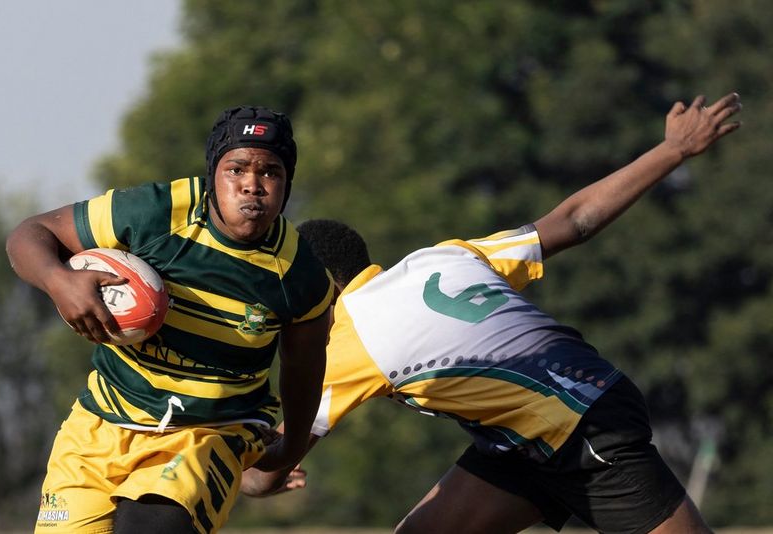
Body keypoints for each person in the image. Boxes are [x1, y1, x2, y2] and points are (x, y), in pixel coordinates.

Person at [240, 93, 742, 533]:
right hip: (528, 434)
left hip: (580, 423)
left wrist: (246, 466)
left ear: (320, 285)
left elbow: (261, 478)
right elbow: (574, 221)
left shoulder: (350, 344)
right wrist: (673, 149)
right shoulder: (443, 257)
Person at [6, 106, 333, 534]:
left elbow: (304, 367)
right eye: (236, 169)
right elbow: (30, 234)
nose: (252, 184)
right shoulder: (156, 213)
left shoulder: (299, 273)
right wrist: (58, 281)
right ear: (213, 174)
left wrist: (290, 446)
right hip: (100, 424)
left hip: (209, 433)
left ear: (287, 184)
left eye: (271, 172)